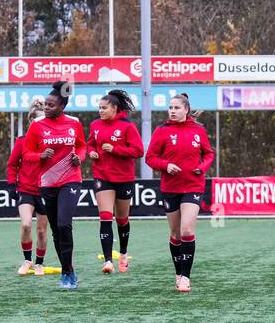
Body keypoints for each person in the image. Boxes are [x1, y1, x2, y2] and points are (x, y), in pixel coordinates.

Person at [144, 93, 215, 292]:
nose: (172, 111)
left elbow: (209, 153)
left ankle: (185, 277)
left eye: (176, 108)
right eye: (170, 108)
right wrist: (166, 166)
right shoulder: (162, 130)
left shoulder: (198, 130)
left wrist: (203, 166)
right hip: (170, 187)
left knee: (187, 231)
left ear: (186, 110)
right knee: (175, 233)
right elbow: (150, 158)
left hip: (193, 185)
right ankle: (178, 272)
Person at [23, 81, 87, 289]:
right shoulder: (37, 126)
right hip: (47, 183)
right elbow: (27, 153)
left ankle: (68, 273)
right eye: (45, 104)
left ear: (62, 106)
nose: (46, 108)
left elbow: (82, 146)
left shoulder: (74, 123)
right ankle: (68, 270)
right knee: (56, 230)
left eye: (51, 105)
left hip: (71, 180)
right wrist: (40, 155)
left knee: (63, 224)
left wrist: (80, 157)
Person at [87, 89, 144, 274]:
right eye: (99, 108)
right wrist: (91, 152)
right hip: (102, 175)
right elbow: (90, 144)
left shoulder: (127, 126)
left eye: (104, 108)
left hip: (124, 177)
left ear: (114, 108)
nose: (101, 111)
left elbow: (138, 151)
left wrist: (115, 149)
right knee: (105, 217)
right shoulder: (95, 125)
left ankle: (124, 253)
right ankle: (108, 261)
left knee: (121, 219)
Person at [7, 97, 49, 276]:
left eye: (41, 120)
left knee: (41, 230)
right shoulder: (22, 141)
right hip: (26, 189)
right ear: (30, 121)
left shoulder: (51, 141)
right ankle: (27, 260)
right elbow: (12, 165)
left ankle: (39, 263)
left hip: (46, 191)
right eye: (34, 120)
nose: (37, 123)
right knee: (25, 225)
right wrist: (11, 184)